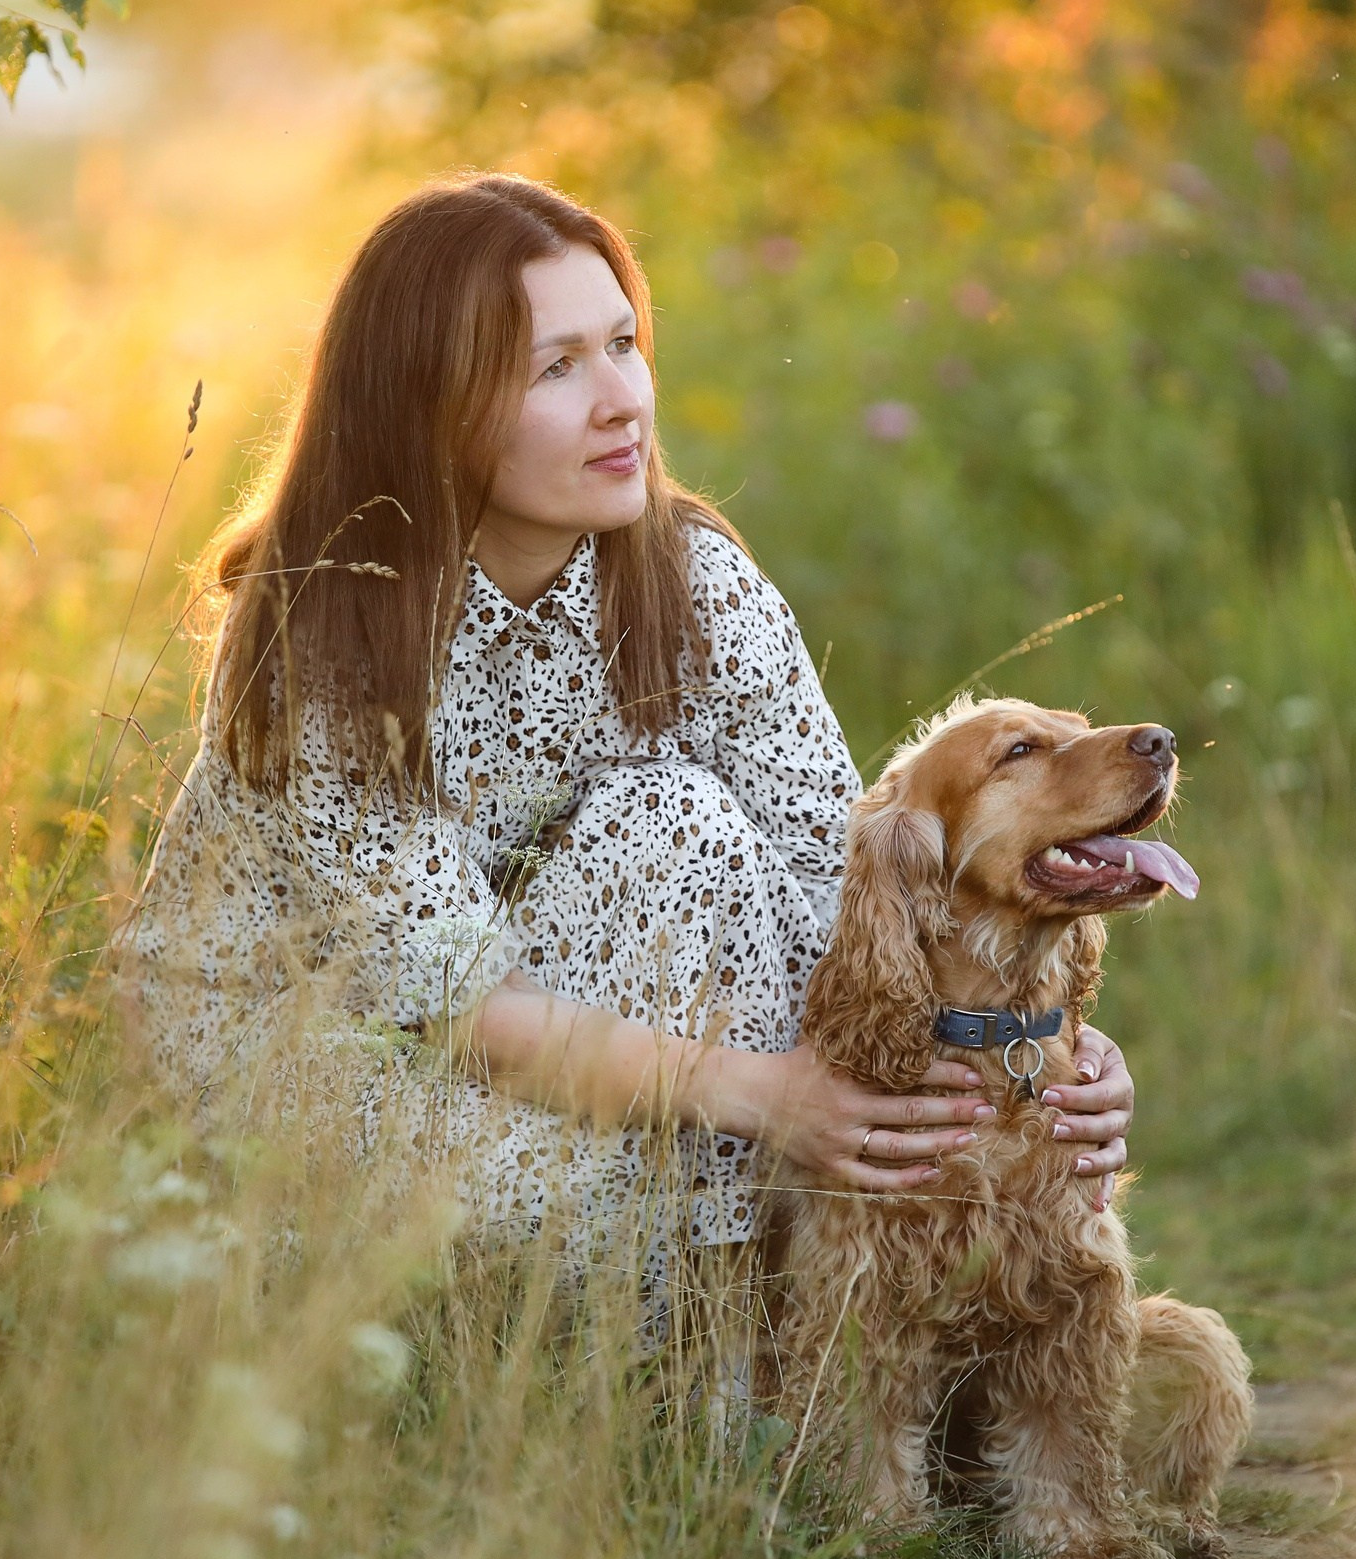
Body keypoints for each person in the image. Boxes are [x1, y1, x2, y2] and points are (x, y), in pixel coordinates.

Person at [118, 172, 1135, 1301]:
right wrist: (766, 1098)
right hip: (333, 1044)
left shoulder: (689, 577)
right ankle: (692, 1360)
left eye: (622, 344)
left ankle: (758, 1357)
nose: (621, 401)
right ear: (427, 407)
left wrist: (1035, 1056)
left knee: (677, 825)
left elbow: (835, 885)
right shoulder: (328, 626)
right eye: (556, 368)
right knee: (568, 1193)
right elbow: (452, 995)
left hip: (595, 1029)